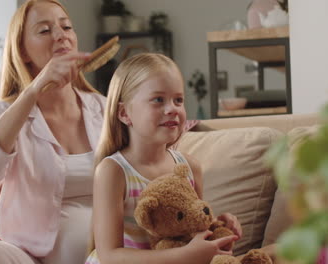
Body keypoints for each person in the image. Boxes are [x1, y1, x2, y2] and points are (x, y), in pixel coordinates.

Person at [0, 0, 106, 263]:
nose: (60, 35)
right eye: (44, 30)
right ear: (23, 52)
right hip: (28, 257)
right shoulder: (4, 113)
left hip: (100, 254)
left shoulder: (103, 108)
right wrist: (33, 91)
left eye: (66, 27)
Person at [85, 53, 242, 264]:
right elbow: (110, 255)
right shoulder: (113, 171)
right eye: (158, 100)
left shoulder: (189, 167)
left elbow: (188, 229)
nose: (172, 109)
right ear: (124, 113)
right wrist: (186, 255)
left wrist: (217, 226)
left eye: (178, 100)